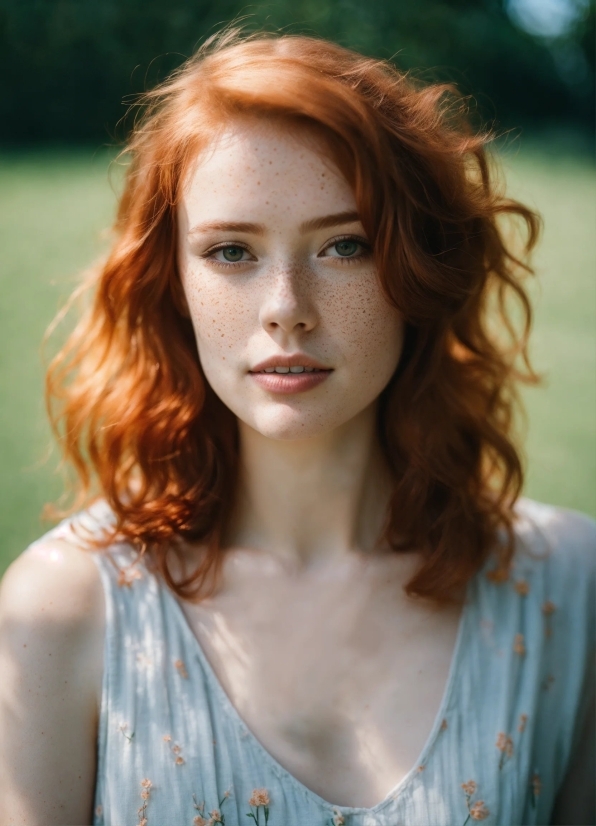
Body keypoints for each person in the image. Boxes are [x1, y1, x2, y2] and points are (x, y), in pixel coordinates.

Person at [0, 29, 594, 826]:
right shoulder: (59, 610)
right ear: (171, 281)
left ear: (415, 268)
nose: (286, 305)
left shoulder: (569, 591)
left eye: (345, 244)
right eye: (232, 252)